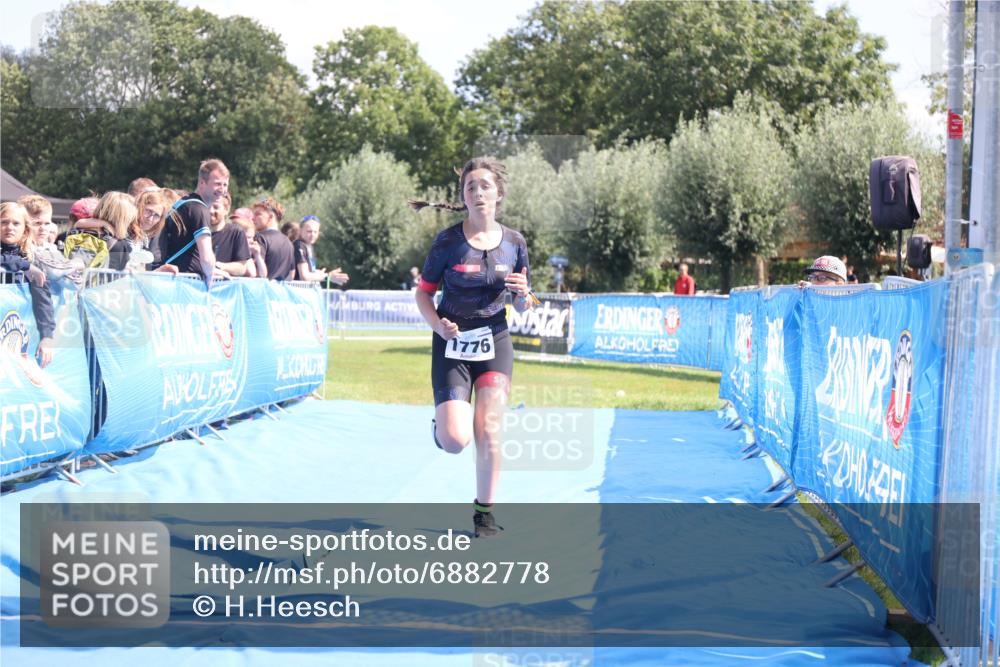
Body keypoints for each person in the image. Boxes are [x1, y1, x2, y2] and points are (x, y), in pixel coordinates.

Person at [410, 157, 536, 538]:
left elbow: (524, 302)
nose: (478, 192)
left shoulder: (515, 242)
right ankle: (442, 428)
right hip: (452, 341)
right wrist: (439, 326)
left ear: (499, 193)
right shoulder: (448, 242)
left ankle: (484, 514)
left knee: (489, 430)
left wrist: (524, 295)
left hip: (495, 340)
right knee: (455, 441)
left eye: (484, 186)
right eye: (470, 187)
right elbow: (423, 294)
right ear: (462, 196)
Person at [155, 159, 228, 287]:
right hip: (183, 284)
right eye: (217, 184)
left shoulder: (183, 203)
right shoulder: (198, 208)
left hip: (171, 280)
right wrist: (210, 277)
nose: (222, 189)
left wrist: (214, 270)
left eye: (225, 185)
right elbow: (206, 257)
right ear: (202, 183)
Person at [1, 202, 55, 367]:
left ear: (25, 229)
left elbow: (43, 300)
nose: (9, 227)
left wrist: (47, 337)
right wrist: (24, 266)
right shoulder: (27, 264)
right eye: (4, 222)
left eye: (16, 223)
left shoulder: (31, 257)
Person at [293, 215, 349, 284]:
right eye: (309, 231)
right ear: (300, 231)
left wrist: (320, 273)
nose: (312, 235)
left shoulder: (309, 246)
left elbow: (309, 272)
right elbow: (304, 276)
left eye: (315, 232)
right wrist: (327, 277)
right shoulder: (299, 246)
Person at [251, 196, 296, 281]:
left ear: (270, 217)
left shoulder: (260, 238)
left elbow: (256, 272)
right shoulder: (288, 242)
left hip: (262, 291)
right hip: (281, 292)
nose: (253, 218)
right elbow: (291, 274)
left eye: (258, 214)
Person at [208, 194, 250, 277]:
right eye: (207, 206)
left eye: (216, 207)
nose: (211, 211)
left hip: (225, 287)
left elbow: (241, 268)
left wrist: (217, 266)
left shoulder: (236, 232)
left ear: (226, 210)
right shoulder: (198, 232)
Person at [230, 207, 266, 278]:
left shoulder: (254, 247)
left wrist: (257, 255)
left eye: (250, 237)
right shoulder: (230, 244)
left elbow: (262, 274)